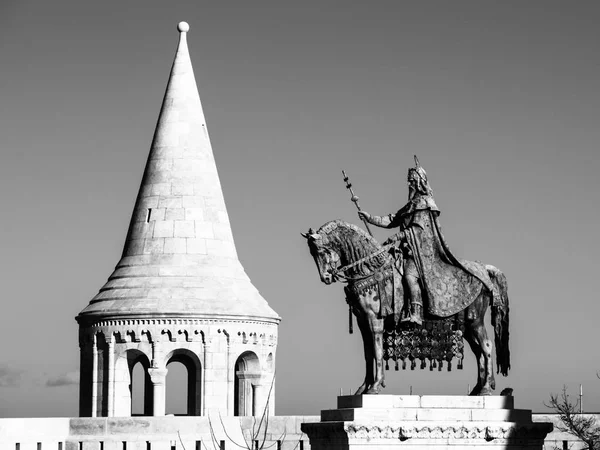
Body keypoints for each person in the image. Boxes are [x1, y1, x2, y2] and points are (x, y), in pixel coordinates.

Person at [358, 156, 489, 325]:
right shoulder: (410, 205)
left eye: (412, 181)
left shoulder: (425, 203)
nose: (409, 184)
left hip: (422, 254)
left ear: (419, 182)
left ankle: (416, 313)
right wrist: (369, 218)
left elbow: (418, 229)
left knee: (409, 277)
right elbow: (391, 219)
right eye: (408, 181)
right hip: (406, 251)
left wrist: (397, 236)